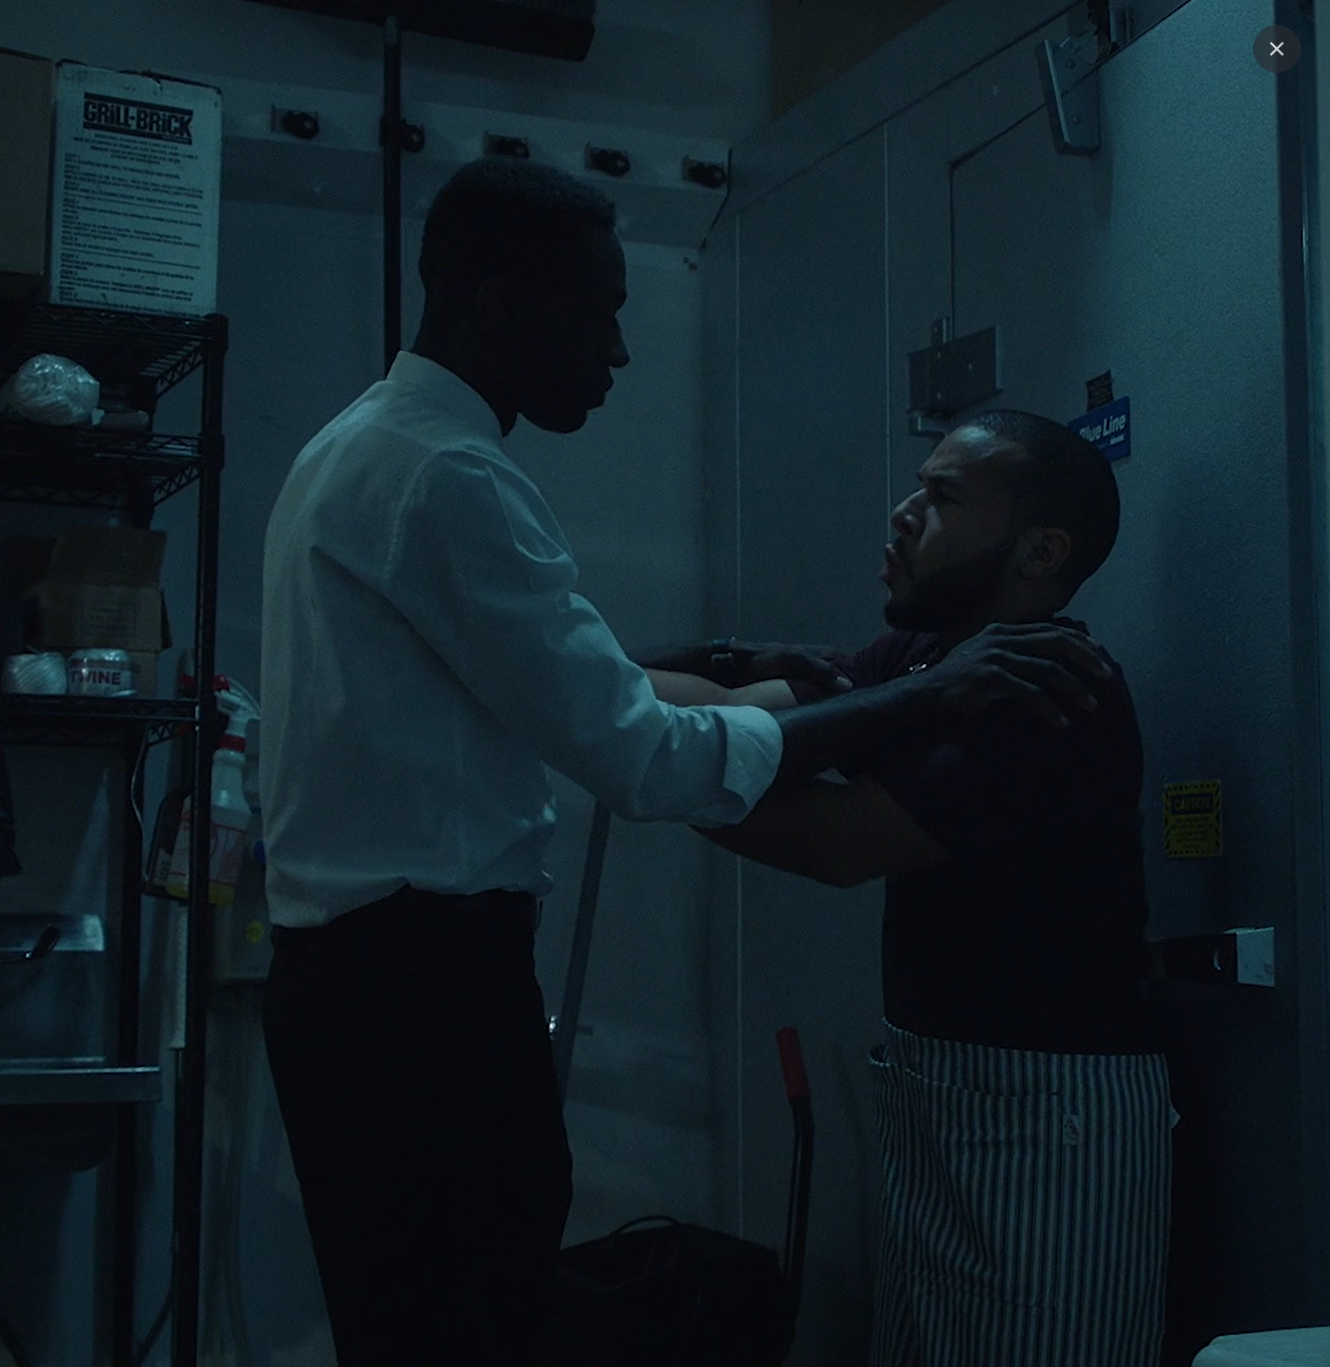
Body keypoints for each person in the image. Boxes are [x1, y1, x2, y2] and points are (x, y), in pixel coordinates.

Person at [256, 159, 1110, 1366]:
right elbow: (651, 748)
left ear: (1042, 548)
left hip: (376, 988)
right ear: (499, 302)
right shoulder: (446, 473)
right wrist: (897, 694)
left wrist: (692, 697)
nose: (616, 348)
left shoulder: (363, 446)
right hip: (420, 1000)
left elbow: (695, 716)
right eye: (598, 307)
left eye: (943, 496)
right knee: (458, 1327)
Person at [682, 410, 1171, 1367]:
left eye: (943, 495)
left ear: (1040, 550)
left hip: (1049, 1126)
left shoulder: (1048, 684)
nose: (904, 512)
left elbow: (838, 840)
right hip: (946, 1101)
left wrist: (645, 772)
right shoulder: (926, 659)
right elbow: (733, 716)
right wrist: (622, 688)